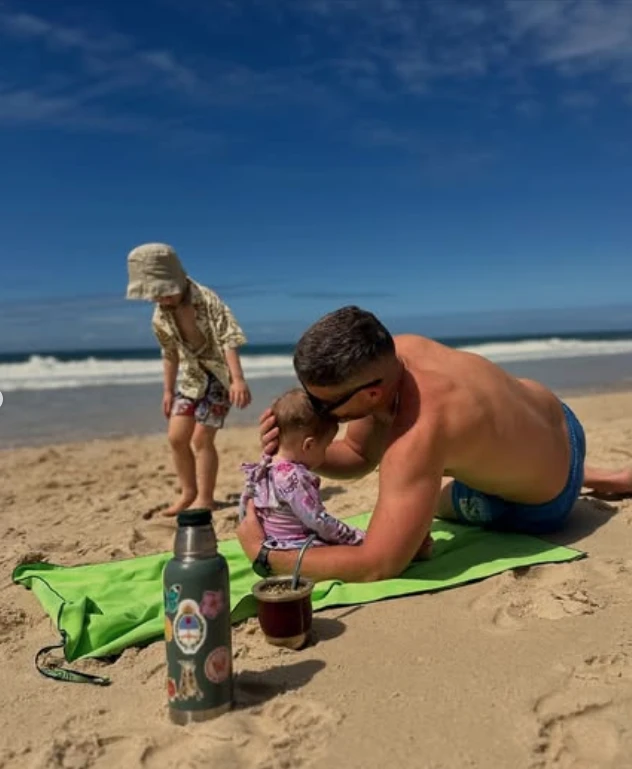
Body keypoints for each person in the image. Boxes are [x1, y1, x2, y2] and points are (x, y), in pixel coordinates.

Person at [237, 305, 632, 582]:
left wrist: (266, 555)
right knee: (458, 470)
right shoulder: (397, 352)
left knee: (441, 504)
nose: (315, 410)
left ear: (371, 394)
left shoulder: (418, 434)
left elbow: (378, 564)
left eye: (323, 404)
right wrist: (298, 453)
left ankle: (574, 481)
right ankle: (603, 476)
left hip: (548, 506)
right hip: (562, 420)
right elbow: (358, 455)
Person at [126, 242, 252, 516]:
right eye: (155, 296)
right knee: (176, 437)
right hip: (191, 379)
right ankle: (188, 493)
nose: (162, 300)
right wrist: (167, 390)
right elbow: (169, 353)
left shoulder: (206, 299)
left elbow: (228, 338)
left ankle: (205, 498)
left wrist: (238, 379)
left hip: (220, 377)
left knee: (201, 439)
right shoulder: (160, 315)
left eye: (165, 292)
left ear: (178, 278)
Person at [238, 388, 365, 552]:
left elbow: (245, 506)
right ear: (309, 445)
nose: (325, 455)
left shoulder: (263, 468)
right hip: (294, 547)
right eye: (325, 447)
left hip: (271, 542)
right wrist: (354, 537)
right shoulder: (294, 477)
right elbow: (318, 521)